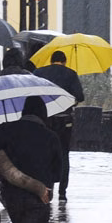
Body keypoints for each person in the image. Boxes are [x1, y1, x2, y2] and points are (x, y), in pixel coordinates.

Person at [33, 50, 85, 204]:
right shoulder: (70, 74)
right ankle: (62, 191)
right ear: (64, 61)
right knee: (63, 154)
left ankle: (47, 187)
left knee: (45, 154)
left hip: (45, 120)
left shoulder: (38, 73)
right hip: (64, 120)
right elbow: (80, 96)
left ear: (51, 61)